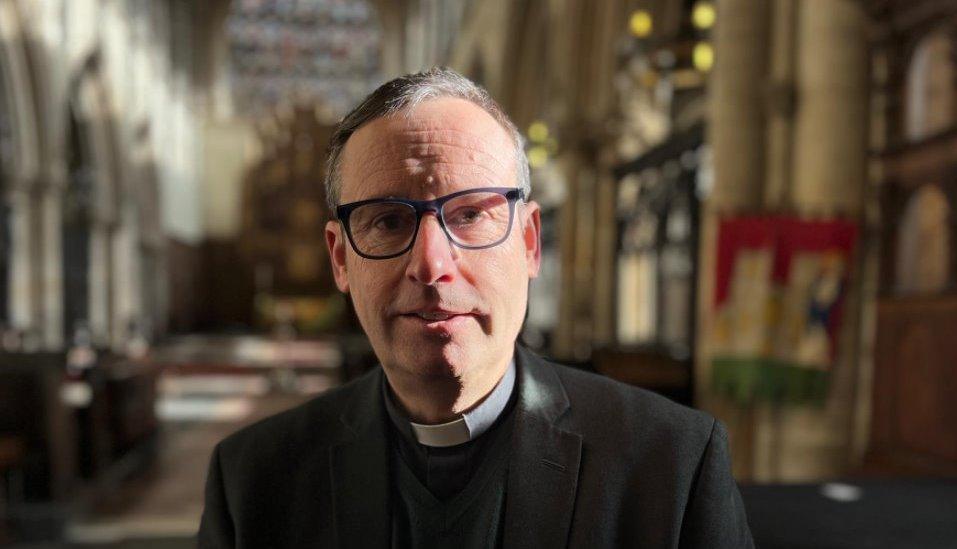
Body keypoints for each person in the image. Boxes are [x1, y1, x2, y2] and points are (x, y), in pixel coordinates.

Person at [197, 67, 754, 548]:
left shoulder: (672, 466)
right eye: (389, 221)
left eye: (469, 215)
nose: (432, 264)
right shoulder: (253, 481)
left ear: (530, 243)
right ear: (341, 259)